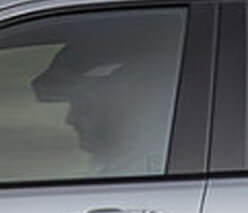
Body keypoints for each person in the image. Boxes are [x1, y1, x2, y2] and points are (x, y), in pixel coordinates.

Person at [30, 15, 177, 178]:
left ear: (127, 97)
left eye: (83, 104)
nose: (70, 119)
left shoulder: (144, 177)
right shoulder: (136, 171)